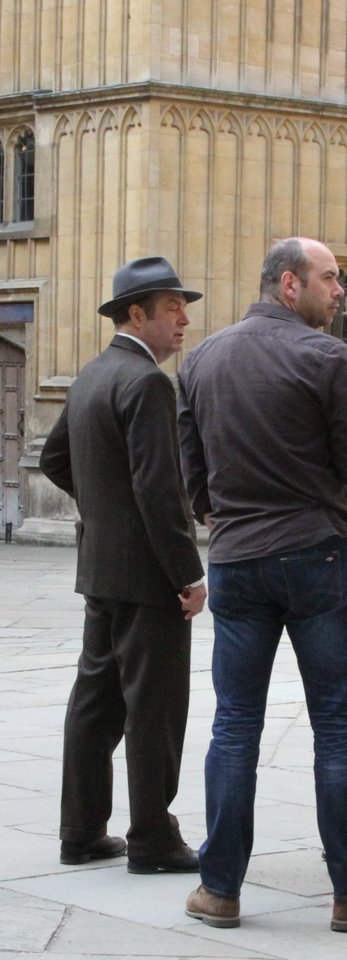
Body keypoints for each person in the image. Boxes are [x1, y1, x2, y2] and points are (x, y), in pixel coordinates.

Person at [176, 237, 347, 933]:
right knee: (337, 724)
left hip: (237, 558)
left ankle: (219, 890)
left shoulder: (203, 358)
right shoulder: (328, 357)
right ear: (288, 283)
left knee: (234, 725)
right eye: (332, 280)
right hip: (316, 554)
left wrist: (227, 517)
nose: (342, 292)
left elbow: (192, 475)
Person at [40, 256, 207, 874]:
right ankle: (153, 840)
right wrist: (188, 575)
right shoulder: (146, 383)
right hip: (146, 580)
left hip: (101, 570)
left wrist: (102, 512)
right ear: (138, 314)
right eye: (172, 308)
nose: (184, 320)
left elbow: (56, 458)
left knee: (96, 701)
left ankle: (80, 832)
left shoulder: (91, 375)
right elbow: (161, 493)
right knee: (154, 708)